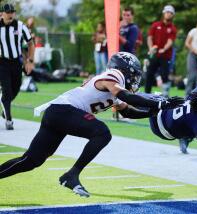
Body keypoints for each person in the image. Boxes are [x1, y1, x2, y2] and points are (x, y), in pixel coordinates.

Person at [0, 52, 184, 198]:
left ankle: (69, 175)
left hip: (58, 114)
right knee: (102, 132)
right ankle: (71, 175)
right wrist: (159, 103)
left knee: (31, 161)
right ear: (123, 69)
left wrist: (154, 111)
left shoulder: (114, 87)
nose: (135, 79)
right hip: (62, 111)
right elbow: (125, 96)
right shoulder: (114, 75)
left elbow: (127, 111)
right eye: (133, 74)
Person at [0, 3, 35, 130]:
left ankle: (5, 104)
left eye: (12, 12)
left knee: (16, 88)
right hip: (2, 62)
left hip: (16, 62)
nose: (10, 15)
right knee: (7, 90)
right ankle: (9, 120)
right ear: (2, 13)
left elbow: (31, 44)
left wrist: (30, 61)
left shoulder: (20, 26)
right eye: (8, 12)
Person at [145, 5, 177, 97]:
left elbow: (170, 41)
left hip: (165, 55)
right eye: (167, 12)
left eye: (171, 13)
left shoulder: (173, 28)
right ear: (164, 13)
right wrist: (151, 48)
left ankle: (165, 96)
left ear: (173, 15)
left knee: (165, 76)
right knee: (149, 74)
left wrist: (164, 49)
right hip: (154, 54)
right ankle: (146, 95)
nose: (168, 14)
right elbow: (150, 37)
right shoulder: (156, 25)